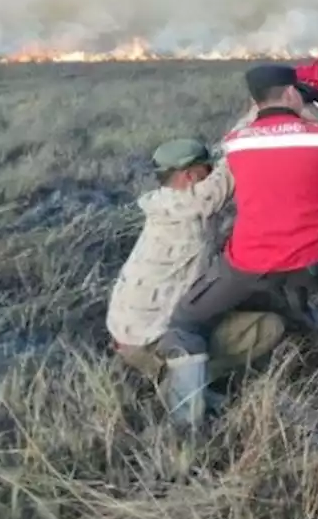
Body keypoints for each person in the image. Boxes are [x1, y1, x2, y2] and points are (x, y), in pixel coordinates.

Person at [157, 65, 318, 427]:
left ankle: (186, 422)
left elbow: (245, 136)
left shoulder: (235, 141)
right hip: (311, 256)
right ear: (290, 94)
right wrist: (311, 112)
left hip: (247, 263)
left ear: (253, 102)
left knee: (185, 322)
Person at [107, 139, 285, 384]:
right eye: (207, 171)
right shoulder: (190, 209)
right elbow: (223, 182)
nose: (211, 176)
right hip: (152, 340)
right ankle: (180, 379)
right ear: (189, 175)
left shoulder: (167, 205)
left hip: (129, 334)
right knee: (268, 326)